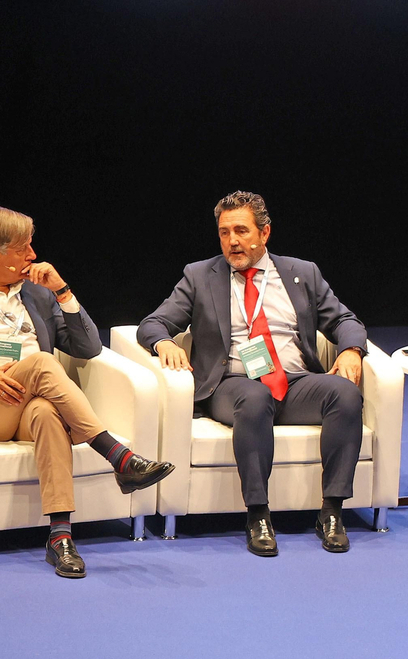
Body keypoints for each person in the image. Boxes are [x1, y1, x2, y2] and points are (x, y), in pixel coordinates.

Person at [0, 206, 173, 578]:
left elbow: (89, 347)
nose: (33, 255)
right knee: (45, 363)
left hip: (32, 405)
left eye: (32, 246)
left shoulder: (38, 294)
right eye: (23, 248)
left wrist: (62, 291)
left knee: (48, 414)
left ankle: (60, 538)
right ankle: (118, 456)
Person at [137, 190, 367, 556]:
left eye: (242, 231)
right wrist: (164, 342)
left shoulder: (301, 273)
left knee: (345, 393)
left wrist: (352, 350)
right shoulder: (199, 276)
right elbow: (153, 323)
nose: (232, 241)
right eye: (225, 232)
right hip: (231, 385)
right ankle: (258, 513)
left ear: (265, 233)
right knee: (255, 397)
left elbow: (343, 319)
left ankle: (332, 511)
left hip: (294, 381)